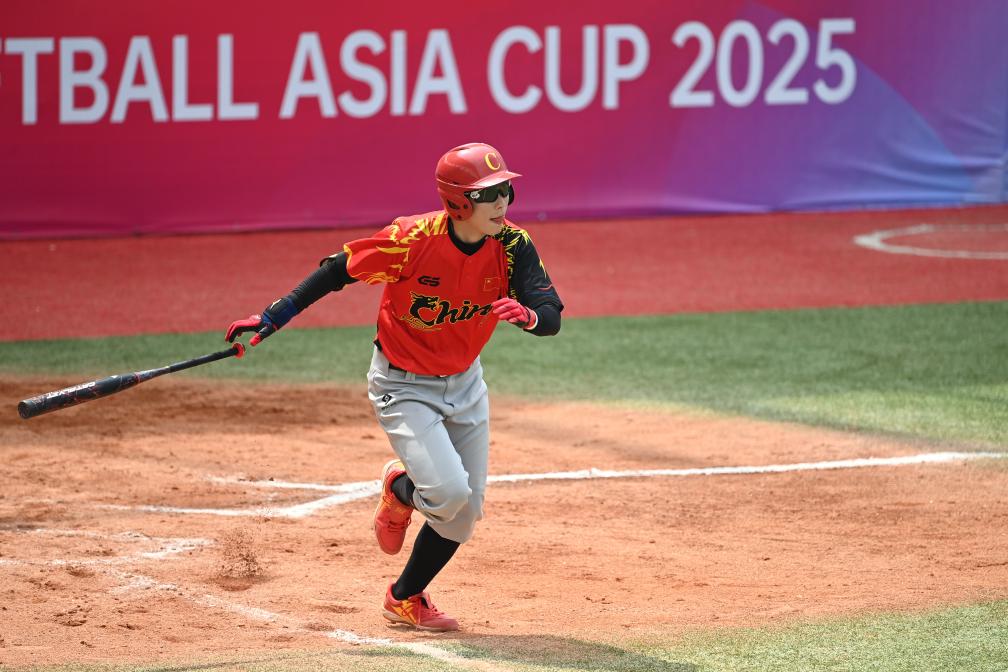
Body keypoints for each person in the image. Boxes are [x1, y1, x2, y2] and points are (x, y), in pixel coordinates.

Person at [225, 142, 564, 631]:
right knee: (449, 494)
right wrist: (274, 315)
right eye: (489, 194)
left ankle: (404, 598)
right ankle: (402, 489)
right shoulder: (410, 240)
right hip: (404, 386)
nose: (502, 203)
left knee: (464, 514)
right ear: (458, 202)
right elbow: (337, 270)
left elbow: (550, 314)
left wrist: (531, 317)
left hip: (466, 383)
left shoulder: (513, 245)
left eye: (506, 191)